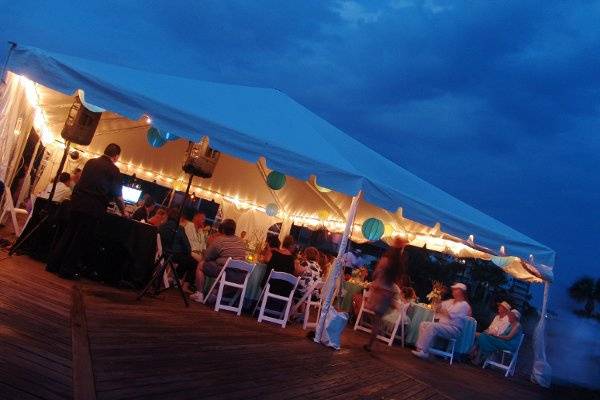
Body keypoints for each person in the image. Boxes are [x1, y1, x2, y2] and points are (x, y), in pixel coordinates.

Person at [46, 143, 126, 280]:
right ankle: (66, 270)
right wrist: (123, 211)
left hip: (76, 203)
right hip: (93, 208)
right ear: (116, 156)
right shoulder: (114, 171)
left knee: (68, 233)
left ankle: (52, 264)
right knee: (80, 239)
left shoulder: (90, 162)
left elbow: (80, 181)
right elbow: (118, 195)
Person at [363, 237, 409, 352]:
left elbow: (377, 271)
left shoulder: (387, 258)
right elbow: (397, 279)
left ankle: (371, 343)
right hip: (388, 292)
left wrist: (375, 281)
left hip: (380, 289)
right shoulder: (399, 262)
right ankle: (374, 339)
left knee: (375, 317)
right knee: (377, 318)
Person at [190, 219, 247, 303]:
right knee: (220, 268)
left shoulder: (220, 240)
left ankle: (199, 294)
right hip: (241, 277)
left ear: (222, 229)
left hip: (227, 274)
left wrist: (211, 245)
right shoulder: (240, 241)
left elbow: (206, 257)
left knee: (201, 265)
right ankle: (214, 294)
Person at [412, 283, 472, 359]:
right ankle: (420, 349)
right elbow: (439, 306)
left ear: (460, 291)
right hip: (444, 326)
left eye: (455, 290)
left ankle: (424, 351)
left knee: (432, 326)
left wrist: (440, 308)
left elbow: (449, 315)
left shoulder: (464, 305)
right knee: (423, 324)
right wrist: (438, 299)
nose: (453, 291)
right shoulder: (450, 301)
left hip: (453, 329)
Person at [158, 208, 198, 291]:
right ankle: (183, 285)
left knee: (186, 259)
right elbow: (188, 247)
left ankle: (175, 280)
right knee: (193, 262)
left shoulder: (161, 226)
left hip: (161, 253)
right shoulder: (179, 228)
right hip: (173, 255)